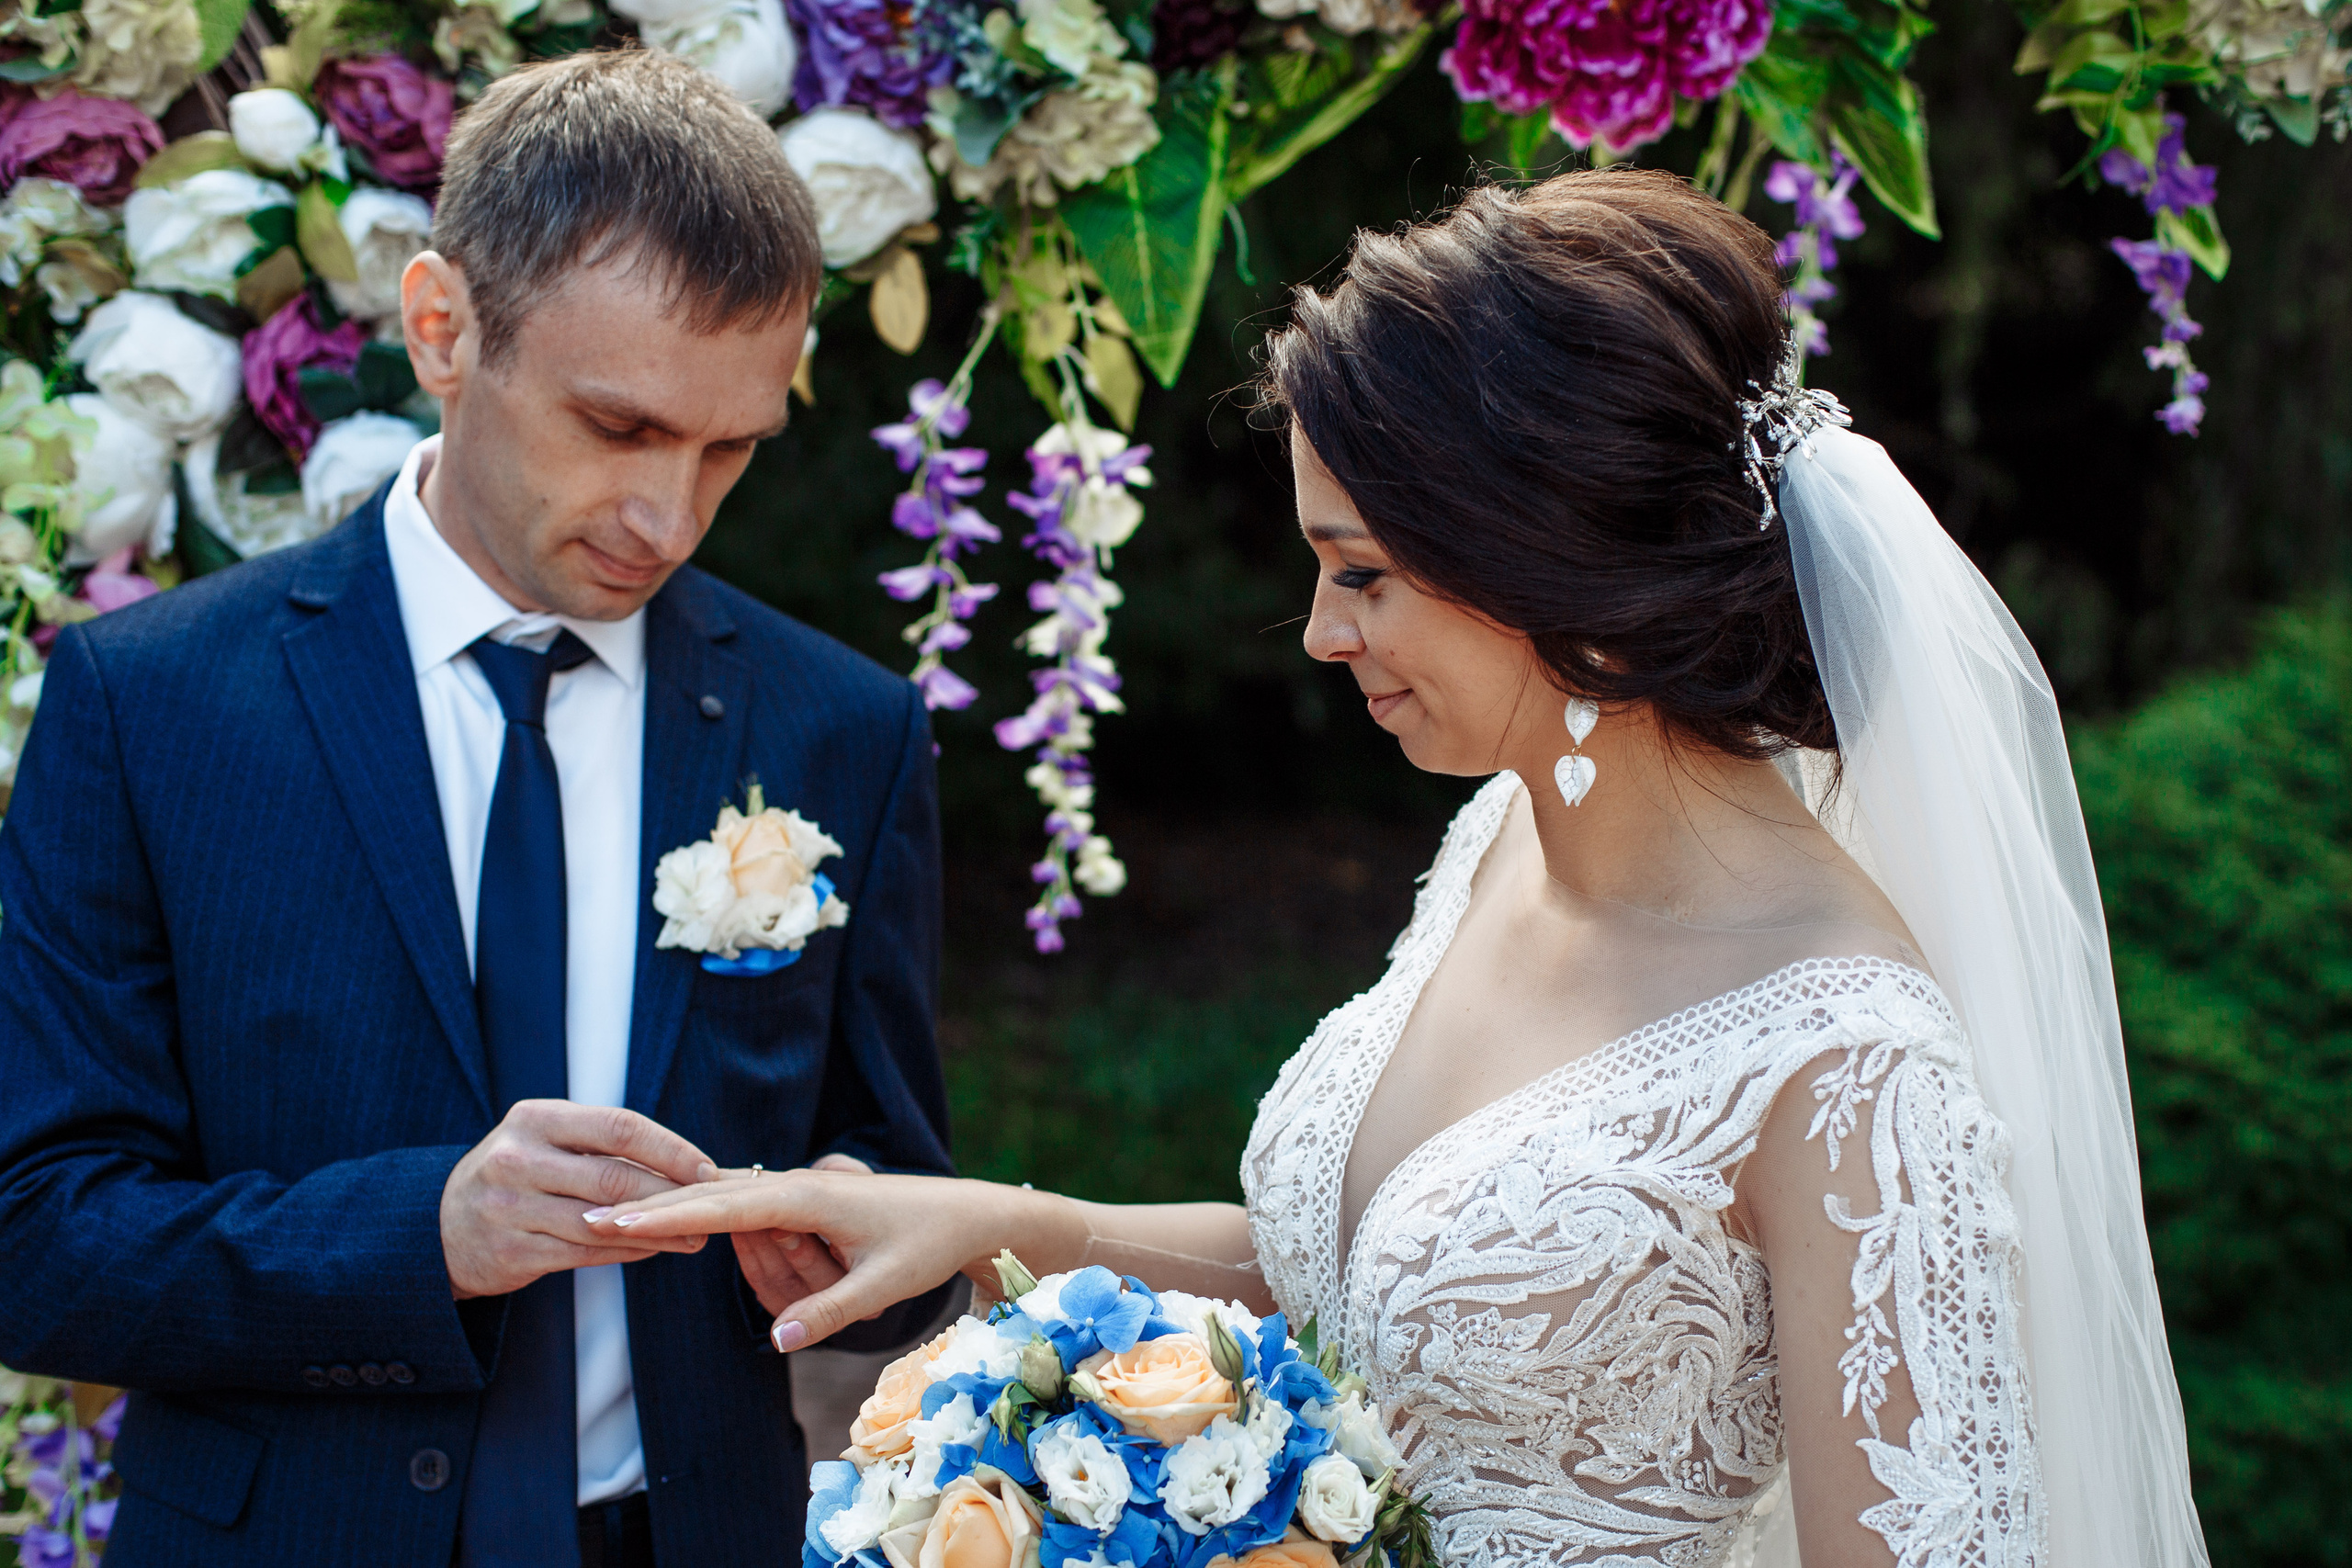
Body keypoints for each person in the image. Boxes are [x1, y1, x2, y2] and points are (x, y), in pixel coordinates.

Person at [587, 170, 2211, 1568]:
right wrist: (1003, 1221)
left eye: (1360, 573)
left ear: (1546, 561)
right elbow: (1375, 1279)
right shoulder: (1499, 836)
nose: (1319, 633)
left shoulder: (1853, 1063)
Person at [0, 47, 954, 1568]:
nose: (672, 514)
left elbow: (900, 1194)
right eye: (623, 428)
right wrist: (419, 1235)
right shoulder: (152, 705)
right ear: (443, 327)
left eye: (731, 450)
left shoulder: (842, 725)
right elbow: (34, 1238)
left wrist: (858, 1234)